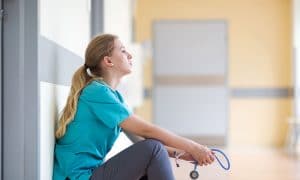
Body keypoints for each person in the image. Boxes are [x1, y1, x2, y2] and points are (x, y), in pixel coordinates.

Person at [53, 34, 215, 180]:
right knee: (153, 149)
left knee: (151, 152)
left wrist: (182, 155)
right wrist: (194, 147)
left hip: (91, 175)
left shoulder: (112, 96)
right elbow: (147, 131)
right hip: (79, 177)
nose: (130, 55)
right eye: (123, 51)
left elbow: (140, 139)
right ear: (108, 61)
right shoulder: (97, 92)